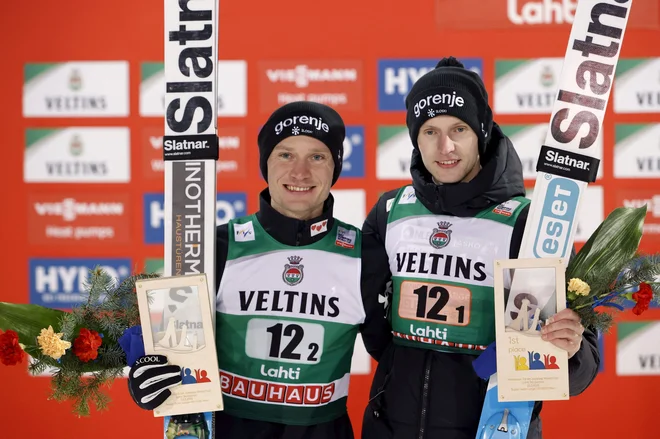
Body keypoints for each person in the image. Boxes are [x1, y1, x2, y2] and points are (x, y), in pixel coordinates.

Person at [359, 57, 600, 439]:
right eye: (429, 132)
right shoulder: (390, 212)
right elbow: (373, 324)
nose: (445, 146)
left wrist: (569, 351)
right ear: (414, 138)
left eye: (459, 128)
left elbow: (580, 367)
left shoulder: (529, 225)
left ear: (482, 132)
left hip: (493, 428)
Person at [128, 101, 370, 439]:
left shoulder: (365, 255)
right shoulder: (216, 247)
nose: (300, 173)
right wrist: (145, 369)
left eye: (317, 156)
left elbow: (400, 361)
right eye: (285, 155)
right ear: (265, 164)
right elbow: (167, 341)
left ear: (336, 166)